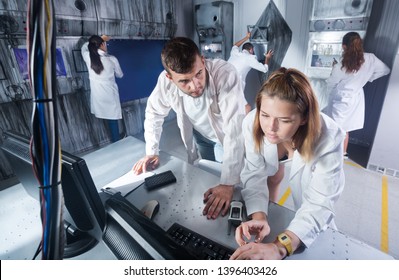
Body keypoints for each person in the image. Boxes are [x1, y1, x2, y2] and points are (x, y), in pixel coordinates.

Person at [230, 68, 346, 260]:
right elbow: (254, 174)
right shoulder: (252, 122)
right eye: (265, 115)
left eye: (284, 120)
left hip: (315, 206)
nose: (270, 128)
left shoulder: (328, 137)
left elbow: (319, 202)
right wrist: (259, 218)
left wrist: (279, 247)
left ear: (304, 118)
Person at [132, 37, 246, 219]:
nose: (195, 85)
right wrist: (152, 151)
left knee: (237, 184)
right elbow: (154, 113)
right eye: (184, 81)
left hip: (229, 136)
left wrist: (228, 183)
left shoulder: (224, 73)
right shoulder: (165, 81)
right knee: (208, 177)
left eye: (198, 73)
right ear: (170, 78)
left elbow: (235, 130)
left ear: (203, 60)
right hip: (202, 136)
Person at [324, 32, 390, 156]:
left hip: (340, 99)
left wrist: (333, 71)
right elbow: (386, 70)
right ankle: (343, 153)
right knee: (345, 128)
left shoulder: (341, 65)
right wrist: (368, 77)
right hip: (356, 98)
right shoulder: (371, 59)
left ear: (344, 47)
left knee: (334, 128)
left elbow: (331, 84)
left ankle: (332, 154)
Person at [81, 35, 124, 142]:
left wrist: (100, 39)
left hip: (98, 96)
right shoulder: (111, 59)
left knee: (105, 116)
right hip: (110, 95)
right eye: (105, 43)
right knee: (112, 119)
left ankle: (114, 139)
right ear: (102, 45)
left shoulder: (88, 57)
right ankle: (116, 141)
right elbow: (120, 75)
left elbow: (84, 47)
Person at [228, 32, 273, 113]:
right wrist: (267, 58)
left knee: (241, 107)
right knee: (246, 108)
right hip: (234, 86)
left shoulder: (235, 53)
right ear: (251, 50)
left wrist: (246, 37)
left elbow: (235, 45)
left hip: (224, 81)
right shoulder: (249, 58)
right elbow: (265, 69)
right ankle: (242, 124)